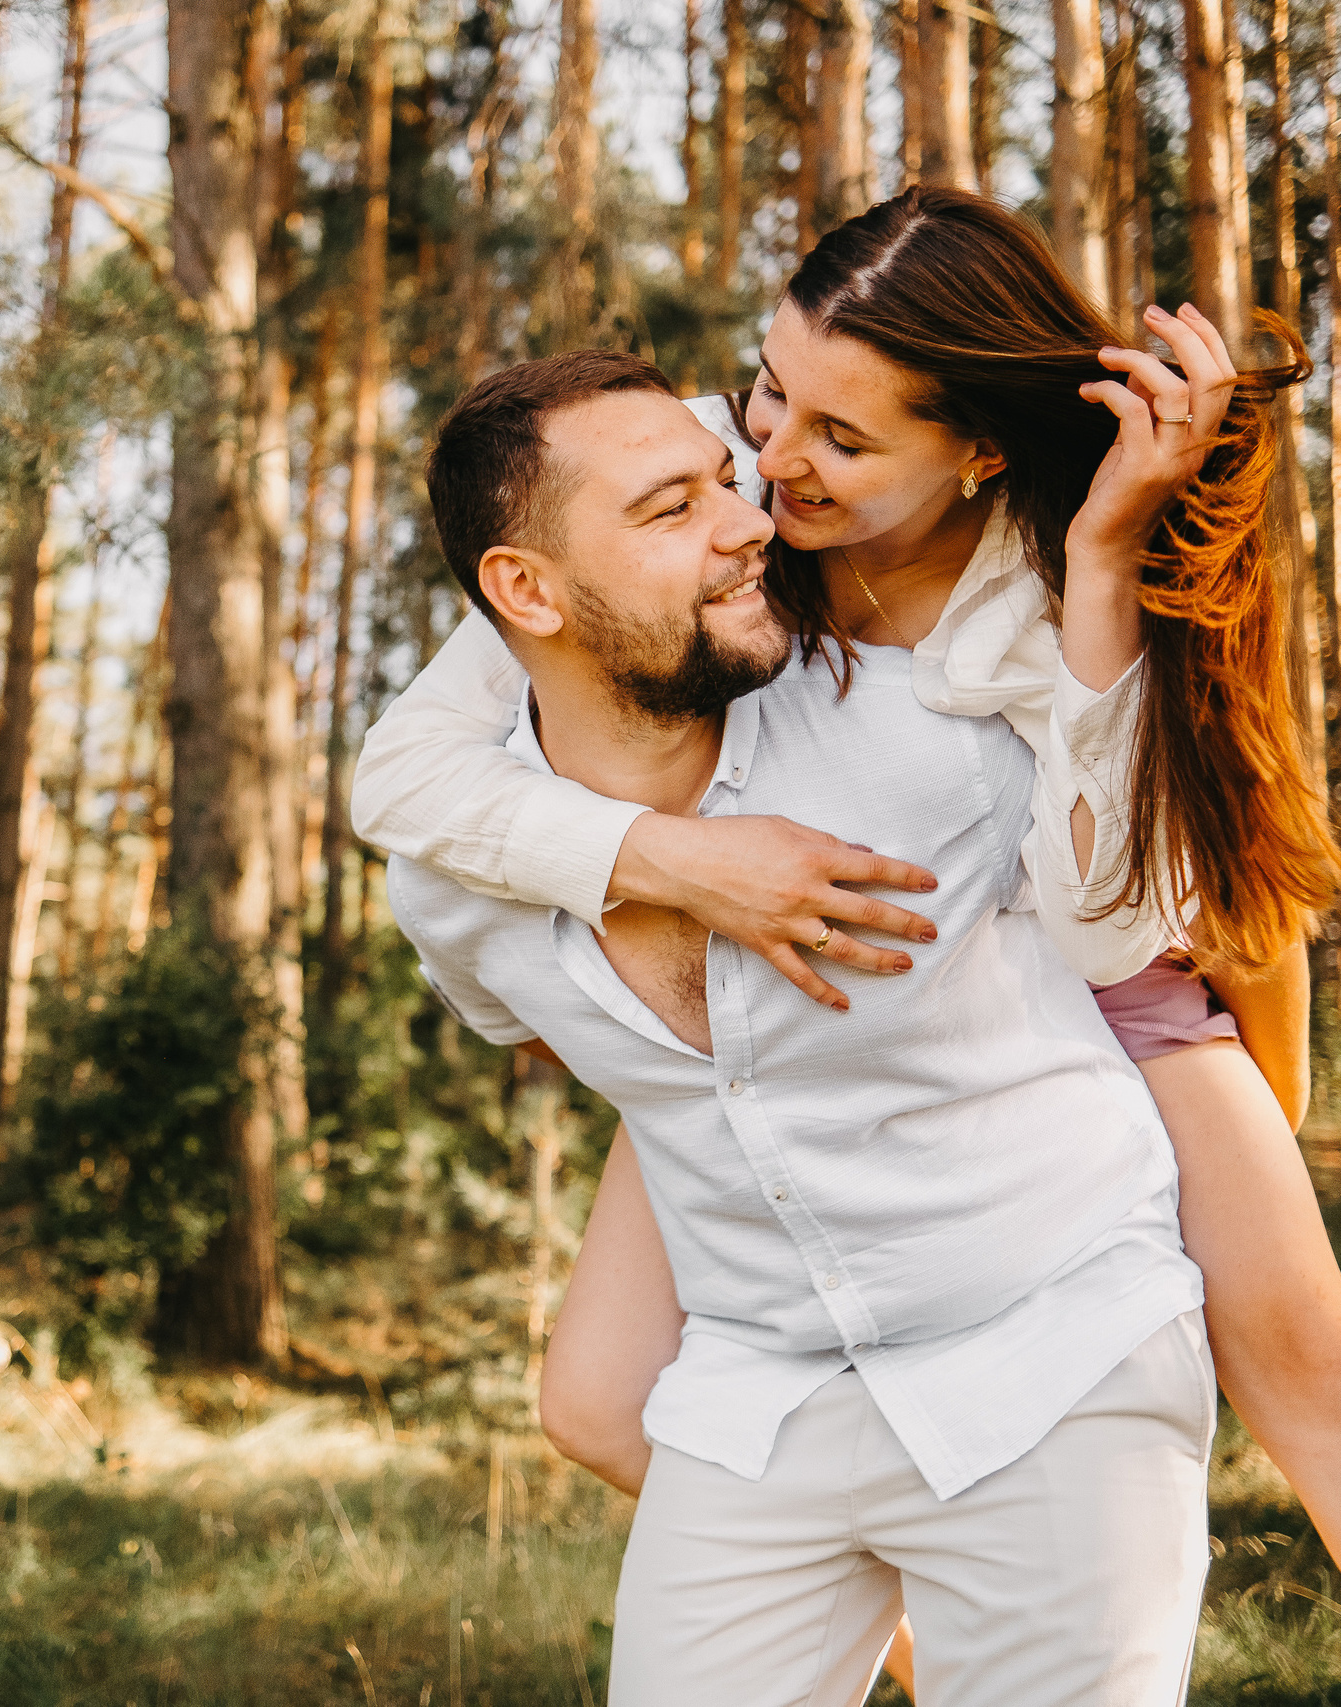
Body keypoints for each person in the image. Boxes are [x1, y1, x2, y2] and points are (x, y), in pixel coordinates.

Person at [359, 190, 1341, 1705]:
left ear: (976, 452)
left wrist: (1257, 1102)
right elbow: (401, 777)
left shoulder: (1055, 576)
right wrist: (674, 868)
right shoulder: (720, 515)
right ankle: (941, 1619)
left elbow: (1176, 900)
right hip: (791, 1010)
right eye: (764, 392)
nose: (772, 464)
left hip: (1117, 966)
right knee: (599, 1403)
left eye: (839, 441)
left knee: (1314, 1374)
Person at [392, 345, 1217, 1702]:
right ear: (525, 592)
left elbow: (1160, 900)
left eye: (727, 480)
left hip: (1054, 1363)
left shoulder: (934, 739)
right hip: (751, 1409)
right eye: (670, 510)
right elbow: (559, 1043)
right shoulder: (453, 890)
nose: (748, 521)